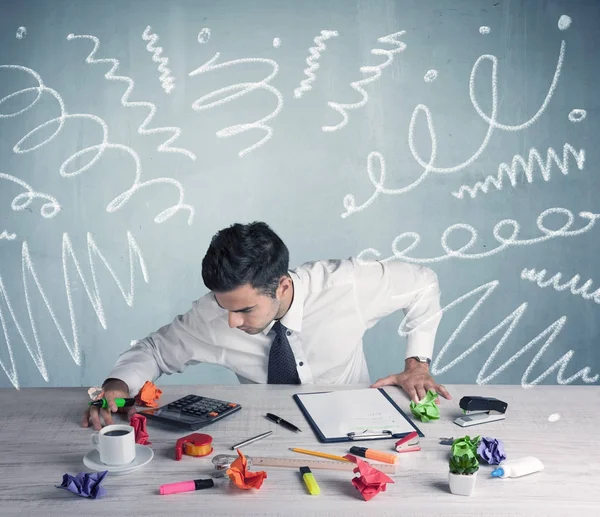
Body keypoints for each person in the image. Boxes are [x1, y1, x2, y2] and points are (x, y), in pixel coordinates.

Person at [82, 221, 451, 430]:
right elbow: (154, 351)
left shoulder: (347, 284)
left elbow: (422, 283)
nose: (231, 321)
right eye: (225, 307)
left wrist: (417, 365)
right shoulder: (213, 316)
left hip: (357, 423)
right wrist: (116, 388)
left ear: (282, 286)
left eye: (244, 310)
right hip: (267, 431)